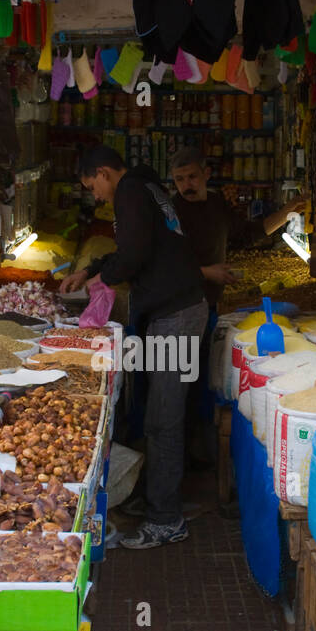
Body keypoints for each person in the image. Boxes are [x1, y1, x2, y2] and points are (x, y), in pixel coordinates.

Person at [59, 145, 207, 549]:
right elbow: (133, 249)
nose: (97, 196)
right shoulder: (145, 187)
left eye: (94, 186)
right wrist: (92, 269)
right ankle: (159, 499)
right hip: (175, 311)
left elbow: (134, 256)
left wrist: (102, 280)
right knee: (160, 415)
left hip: (175, 317)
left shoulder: (129, 192)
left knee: (164, 419)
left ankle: (167, 519)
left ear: (105, 172)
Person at [169, 146, 306, 467]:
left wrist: (290, 210)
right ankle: (185, 459)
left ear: (206, 174)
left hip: (209, 305)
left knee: (202, 379)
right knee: (181, 387)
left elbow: (249, 234)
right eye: (179, 179)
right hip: (178, 310)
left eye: (192, 177)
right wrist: (208, 272)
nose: (187, 184)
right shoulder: (170, 213)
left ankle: (201, 452)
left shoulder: (216, 204)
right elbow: (164, 265)